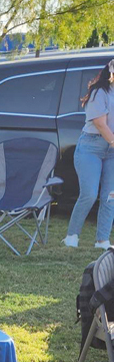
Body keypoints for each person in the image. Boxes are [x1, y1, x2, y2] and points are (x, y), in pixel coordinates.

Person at [64, 59, 114, 249]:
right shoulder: (99, 92)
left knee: (111, 195)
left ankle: (102, 240)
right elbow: (100, 124)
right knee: (89, 194)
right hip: (90, 147)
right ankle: (72, 236)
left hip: (111, 150)